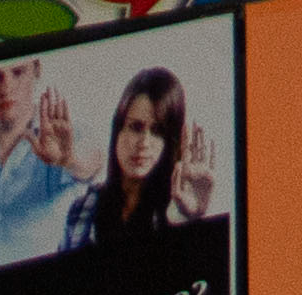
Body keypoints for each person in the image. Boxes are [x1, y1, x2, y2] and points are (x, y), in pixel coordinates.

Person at [0, 59, 81, 271]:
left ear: (37, 69)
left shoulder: (65, 136)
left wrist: (68, 160)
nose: (6, 87)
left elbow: (92, 165)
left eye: (17, 72)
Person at [61, 69, 213, 245]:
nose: (144, 143)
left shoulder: (177, 212)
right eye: (135, 127)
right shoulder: (83, 207)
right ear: (118, 130)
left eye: (157, 132)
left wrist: (191, 219)